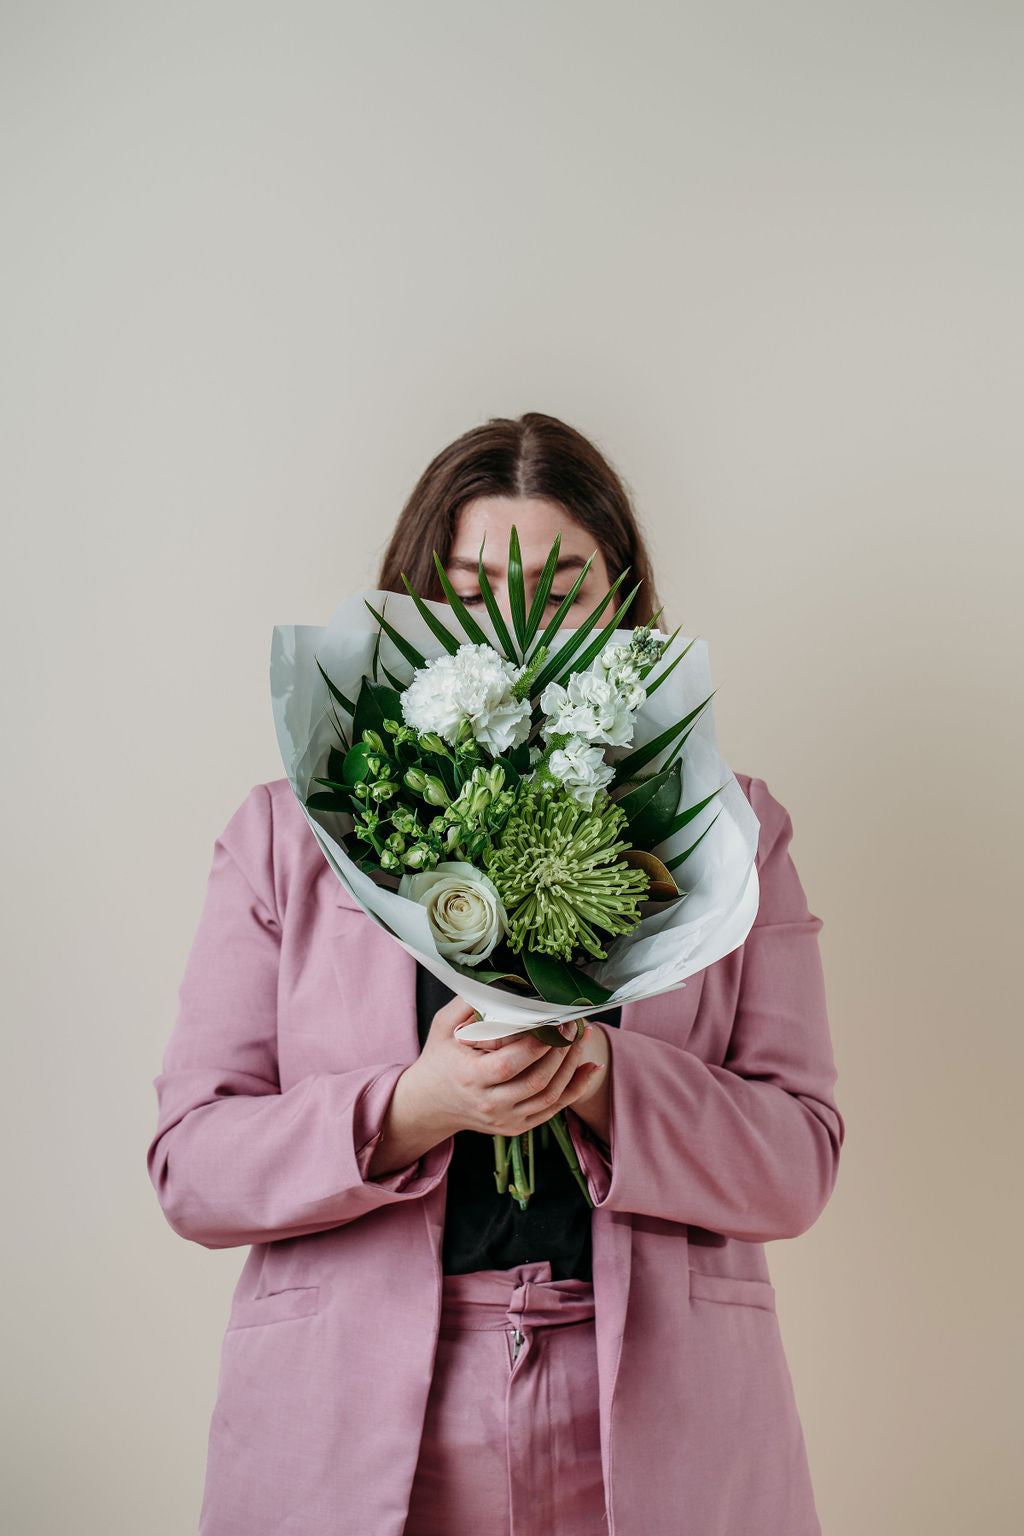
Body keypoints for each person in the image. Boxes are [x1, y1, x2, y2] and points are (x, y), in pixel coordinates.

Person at [147, 411, 845, 1536]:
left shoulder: (730, 834)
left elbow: (798, 1164)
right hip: (358, 1419)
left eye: (560, 588)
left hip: (656, 1425)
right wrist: (405, 1110)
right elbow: (192, 1166)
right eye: (474, 591)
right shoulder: (286, 836)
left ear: (623, 602)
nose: (517, 628)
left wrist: (608, 1079)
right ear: (411, 603)